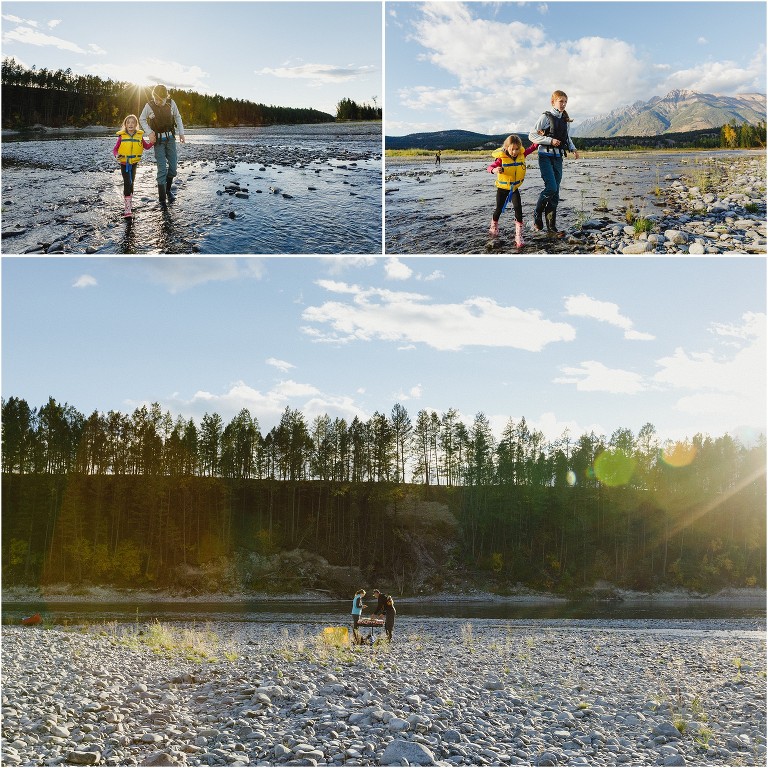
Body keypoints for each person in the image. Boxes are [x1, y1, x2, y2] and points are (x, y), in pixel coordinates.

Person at [528, 90, 579, 238]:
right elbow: (532, 135)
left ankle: (552, 228)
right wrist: (550, 141)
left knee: (555, 193)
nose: (563, 104)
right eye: (560, 101)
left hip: (558, 158)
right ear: (553, 102)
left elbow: (566, 138)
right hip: (544, 156)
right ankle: (537, 213)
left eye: (565, 102)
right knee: (551, 187)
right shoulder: (545, 117)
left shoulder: (565, 120)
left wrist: (573, 149)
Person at [486, 135, 538, 247]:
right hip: (502, 189)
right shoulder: (501, 158)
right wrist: (495, 170)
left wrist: (539, 138)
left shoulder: (521, 155)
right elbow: (489, 167)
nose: (514, 152)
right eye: (512, 149)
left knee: (518, 210)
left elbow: (533, 147)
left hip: (514, 189)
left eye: (517, 149)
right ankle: (494, 226)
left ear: (520, 148)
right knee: (498, 210)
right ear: (506, 148)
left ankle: (518, 236)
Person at [139, 84, 186, 205]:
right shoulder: (149, 106)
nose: (158, 101)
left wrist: (181, 133)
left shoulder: (171, 103)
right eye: (156, 98)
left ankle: (168, 190)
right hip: (158, 142)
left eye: (161, 99)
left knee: (173, 169)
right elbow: (142, 119)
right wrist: (149, 133)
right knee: (161, 169)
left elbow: (178, 117)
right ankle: (162, 201)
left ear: (166, 97)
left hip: (170, 139)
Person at [112, 114, 153, 218]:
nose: (130, 124)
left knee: (132, 182)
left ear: (136, 125)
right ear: (125, 124)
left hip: (134, 163)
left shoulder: (139, 136)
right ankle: (127, 209)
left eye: (133, 122)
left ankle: (129, 202)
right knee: (127, 182)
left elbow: (147, 146)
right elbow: (115, 149)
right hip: (124, 163)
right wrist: (117, 155)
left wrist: (152, 141)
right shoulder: (121, 136)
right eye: (128, 122)